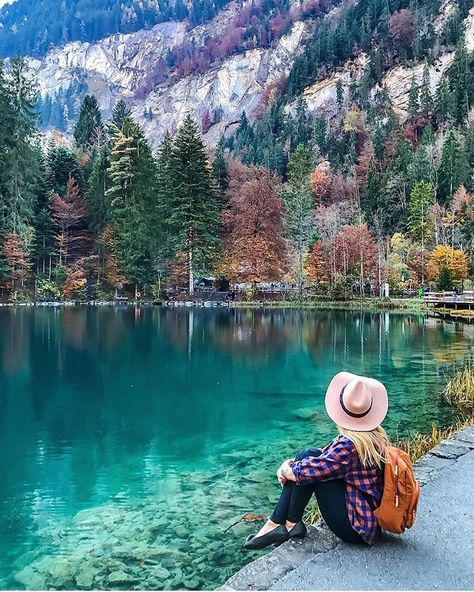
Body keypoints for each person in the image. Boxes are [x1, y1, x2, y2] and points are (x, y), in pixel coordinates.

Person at [243, 371, 390, 550]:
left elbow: (312, 470)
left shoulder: (350, 445)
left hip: (356, 529)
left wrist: (285, 470)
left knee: (307, 463)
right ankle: (289, 524)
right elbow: (328, 459)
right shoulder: (372, 437)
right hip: (368, 520)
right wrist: (292, 466)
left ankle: (277, 524)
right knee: (309, 455)